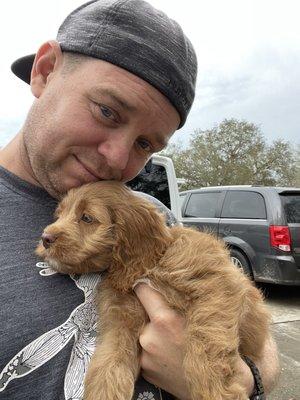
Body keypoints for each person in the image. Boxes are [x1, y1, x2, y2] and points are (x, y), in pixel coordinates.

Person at [0, 0, 279, 399]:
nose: (117, 159)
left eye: (145, 143)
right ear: (45, 72)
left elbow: (254, 329)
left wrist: (244, 381)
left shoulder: (153, 216)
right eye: (108, 111)